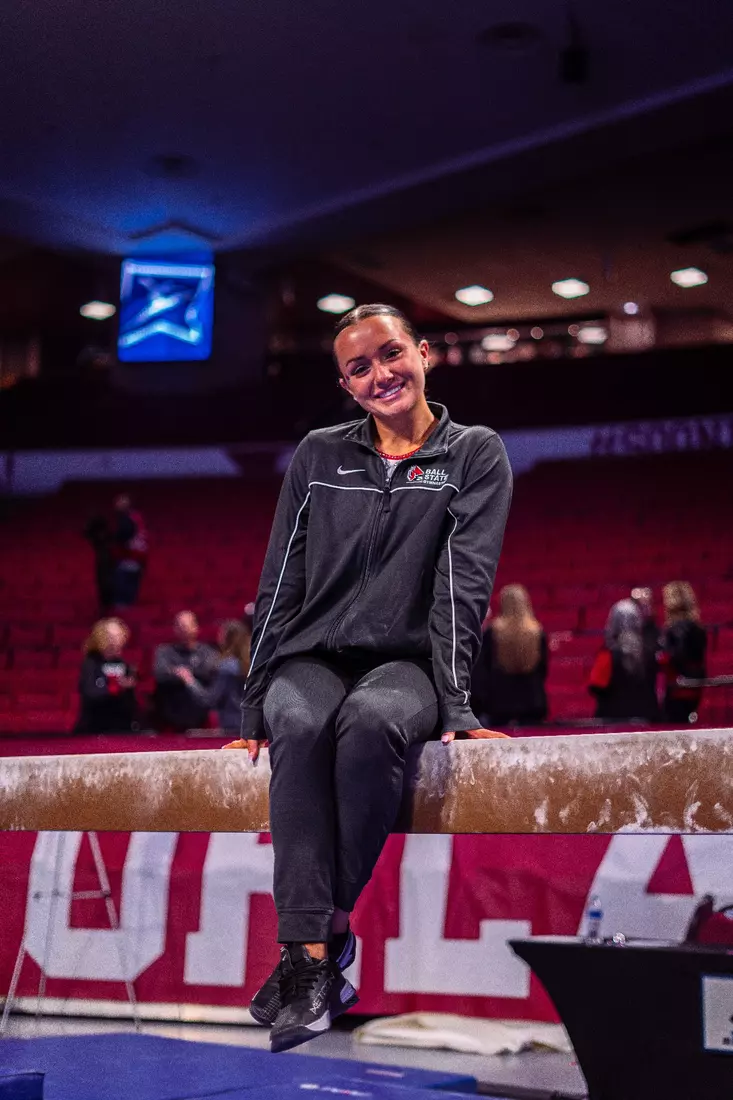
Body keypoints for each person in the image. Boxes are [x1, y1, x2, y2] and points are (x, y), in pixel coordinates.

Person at [225, 303, 512, 1053]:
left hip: (405, 662)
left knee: (375, 723)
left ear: (423, 354)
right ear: (346, 386)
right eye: (359, 367)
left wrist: (452, 699)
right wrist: (252, 706)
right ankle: (319, 954)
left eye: (389, 355)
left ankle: (304, 951)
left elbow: (463, 582)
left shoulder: (473, 453)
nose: (379, 374)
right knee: (298, 722)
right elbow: (279, 579)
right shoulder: (319, 456)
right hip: (309, 656)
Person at [471, 584, 548, 726]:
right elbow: (543, 669)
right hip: (532, 702)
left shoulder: (492, 632)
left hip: (499, 703)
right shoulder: (537, 632)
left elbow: (482, 671)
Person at [588, 598, 659, 722]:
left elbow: (596, 686)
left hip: (614, 720)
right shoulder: (650, 650)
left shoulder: (608, 653)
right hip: (646, 718)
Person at [152, 611, 218, 731]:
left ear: (196, 627)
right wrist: (181, 676)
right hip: (171, 712)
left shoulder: (207, 652)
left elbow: (208, 671)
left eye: (187, 625)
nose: (184, 629)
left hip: (199, 711)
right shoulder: (164, 651)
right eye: (180, 626)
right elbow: (160, 673)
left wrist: (184, 673)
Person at [75, 618, 139, 733]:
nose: (114, 641)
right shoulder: (90, 664)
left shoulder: (125, 665)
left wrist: (128, 689)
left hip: (121, 728)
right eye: (110, 636)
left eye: (118, 636)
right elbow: (90, 693)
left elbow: (131, 704)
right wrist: (114, 688)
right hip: (94, 727)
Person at [660, 581, 707, 723]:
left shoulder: (674, 628)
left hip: (678, 686)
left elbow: (677, 656)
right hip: (695, 684)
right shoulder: (699, 628)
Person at [206, 620, 251, 732]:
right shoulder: (252, 664)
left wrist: (190, 681)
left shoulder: (226, 667)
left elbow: (211, 699)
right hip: (250, 723)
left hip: (231, 725)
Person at [110, 494, 148, 608]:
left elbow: (123, 538)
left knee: (123, 599)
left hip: (128, 560)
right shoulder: (136, 517)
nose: (116, 505)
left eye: (119, 503)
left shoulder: (128, 520)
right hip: (136, 560)